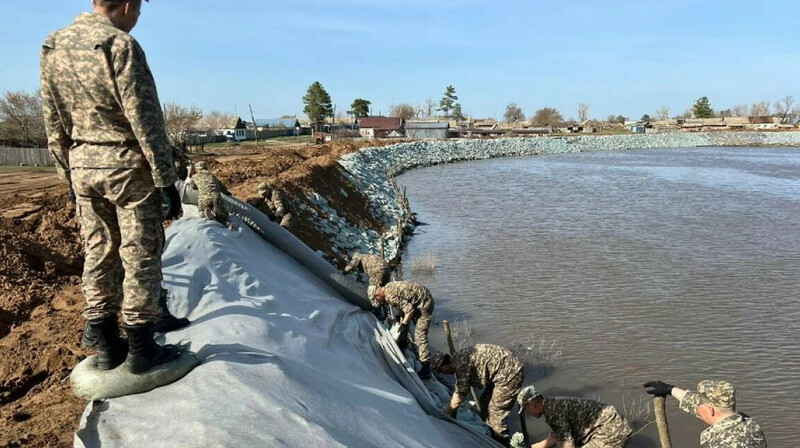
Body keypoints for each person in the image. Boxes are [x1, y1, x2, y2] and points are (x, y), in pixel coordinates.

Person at [41, 0, 185, 373]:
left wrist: (65, 171)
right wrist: (165, 179)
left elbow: (52, 117)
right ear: (127, 5)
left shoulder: (53, 45)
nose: (137, 18)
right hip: (126, 168)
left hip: (82, 166)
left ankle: (106, 343)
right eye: (138, 10)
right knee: (139, 251)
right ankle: (141, 347)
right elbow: (145, 116)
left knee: (98, 249)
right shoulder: (120, 45)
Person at [432, 344, 524, 445]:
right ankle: (490, 432)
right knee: (484, 403)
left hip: (510, 373)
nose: (443, 373)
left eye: (441, 371)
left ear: (444, 366)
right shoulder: (457, 358)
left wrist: (446, 412)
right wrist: (453, 413)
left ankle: (501, 443)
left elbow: (459, 395)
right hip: (500, 371)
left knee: (496, 414)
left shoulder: (459, 364)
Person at [643, 380, 766, 447]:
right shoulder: (750, 425)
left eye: (700, 405)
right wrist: (669, 389)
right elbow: (695, 402)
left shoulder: (718, 443)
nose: (697, 406)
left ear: (711, 410)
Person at [516, 386, 632, 448]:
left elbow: (566, 443)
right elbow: (556, 438)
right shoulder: (551, 404)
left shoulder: (553, 413)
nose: (527, 413)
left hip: (611, 432)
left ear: (534, 405)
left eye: (526, 409)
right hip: (611, 426)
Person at [373, 281, 434, 378]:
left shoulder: (389, 296)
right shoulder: (387, 287)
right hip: (417, 300)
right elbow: (402, 302)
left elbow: (409, 309)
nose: (380, 302)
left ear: (378, 294)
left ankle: (426, 368)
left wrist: (404, 325)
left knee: (420, 335)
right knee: (402, 320)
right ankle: (403, 343)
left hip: (424, 303)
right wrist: (399, 315)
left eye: (378, 300)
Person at [190, 161, 233, 229]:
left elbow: (193, 187)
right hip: (216, 197)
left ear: (197, 169)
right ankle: (226, 224)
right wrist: (227, 193)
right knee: (222, 215)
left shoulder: (194, 177)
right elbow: (221, 186)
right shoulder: (212, 175)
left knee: (200, 210)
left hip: (204, 198)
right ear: (206, 167)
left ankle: (205, 211)